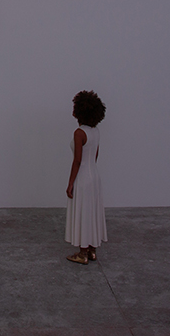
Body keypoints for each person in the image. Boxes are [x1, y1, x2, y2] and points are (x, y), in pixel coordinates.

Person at [65, 90, 107, 264]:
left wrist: (70, 183)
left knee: (83, 211)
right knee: (92, 211)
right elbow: (95, 156)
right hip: (94, 176)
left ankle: (82, 254)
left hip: (83, 177)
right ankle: (92, 250)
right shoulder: (95, 131)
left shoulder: (79, 133)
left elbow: (77, 161)